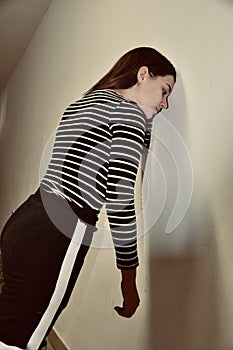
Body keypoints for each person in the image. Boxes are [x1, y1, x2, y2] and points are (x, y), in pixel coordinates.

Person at [0, 47, 176, 349]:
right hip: (56, 233)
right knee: (22, 340)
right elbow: (119, 200)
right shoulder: (129, 113)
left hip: (27, 216)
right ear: (143, 73)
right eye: (164, 90)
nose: (165, 104)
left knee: (8, 318)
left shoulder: (85, 103)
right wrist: (128, 280)